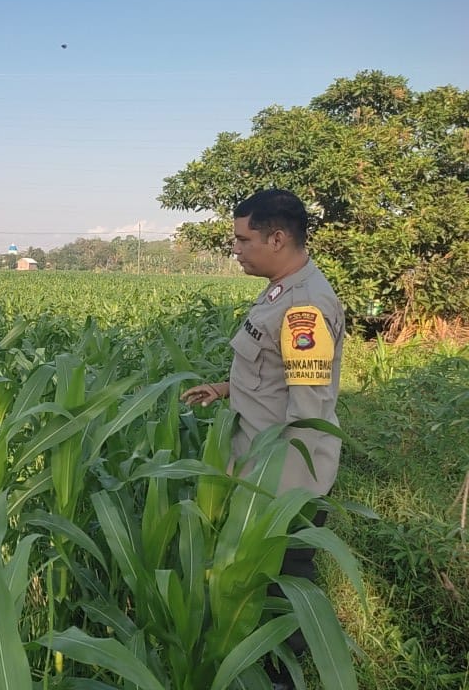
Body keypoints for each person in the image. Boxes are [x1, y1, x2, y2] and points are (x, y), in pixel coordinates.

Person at [180, 189, 345, 688]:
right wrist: (227, 388)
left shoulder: (305, 308)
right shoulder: (280, 288)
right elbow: (275, 373)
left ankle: (281, 679)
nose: (235, 248)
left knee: (282, 589)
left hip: (281, 484)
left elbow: (308, 413)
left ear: (277, 238)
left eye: (242, 238)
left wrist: (279, 501)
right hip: (257, 466)